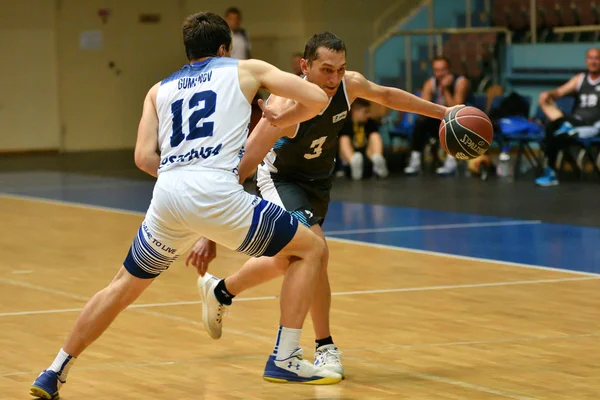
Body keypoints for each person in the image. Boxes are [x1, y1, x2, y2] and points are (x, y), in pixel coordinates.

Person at [29, 12, 341, 399]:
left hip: (168, 195)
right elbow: (317, 97)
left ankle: (54, 369)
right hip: (215, 189)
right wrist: (282, 115)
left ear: (188, 50)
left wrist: (183, 180)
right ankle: (286, 356)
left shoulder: (158, 90)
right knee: (311, 248)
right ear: (225, 48)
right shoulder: (246, 68)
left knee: (122, 286)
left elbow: (144, 157)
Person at [188, 31, 460, 381]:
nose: (334, 80)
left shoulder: (349, 85)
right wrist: (208, 231)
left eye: (340, 70)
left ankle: (221, 290)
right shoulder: (284, 105)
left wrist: (444, 112)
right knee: (317, 251)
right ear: (305, 67)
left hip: (319, 183)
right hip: (281, 180)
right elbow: (245, 164)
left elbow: (387, 96)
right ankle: (324, 346)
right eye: (326, 70)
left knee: (291, 261)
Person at [535, 47, 600, 186]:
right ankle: (565, 127)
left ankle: (550, 171)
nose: (593, 61)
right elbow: (559, 92)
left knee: (554, 130)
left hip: (590, 123)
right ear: (586, 60)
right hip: (574, 120)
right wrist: (549, 94)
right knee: (546, 108)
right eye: (590, 58)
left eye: (597, 58)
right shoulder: (580, 79)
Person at [404, 56, 470, 175]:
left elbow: (456, 107)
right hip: (437, 120)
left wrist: (445, 89)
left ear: (449, 69)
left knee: (452, 121)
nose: (440, 74)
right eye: (436, 70)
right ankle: (415, 159)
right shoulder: (430, 83)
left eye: (443, 69)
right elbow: (422, 107)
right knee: (420, 122)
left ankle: (451, 160)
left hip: (459, 120)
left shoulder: (461, 82)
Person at [338, 98, 388, 179]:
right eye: (365, 112)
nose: (368, 115)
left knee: (374, 135)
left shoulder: (370, 122)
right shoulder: (345, 123)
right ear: (355, 111)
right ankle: (353, 162)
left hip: (368, 156)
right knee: (343, 138)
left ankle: (378, 160)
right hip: (350, 159)